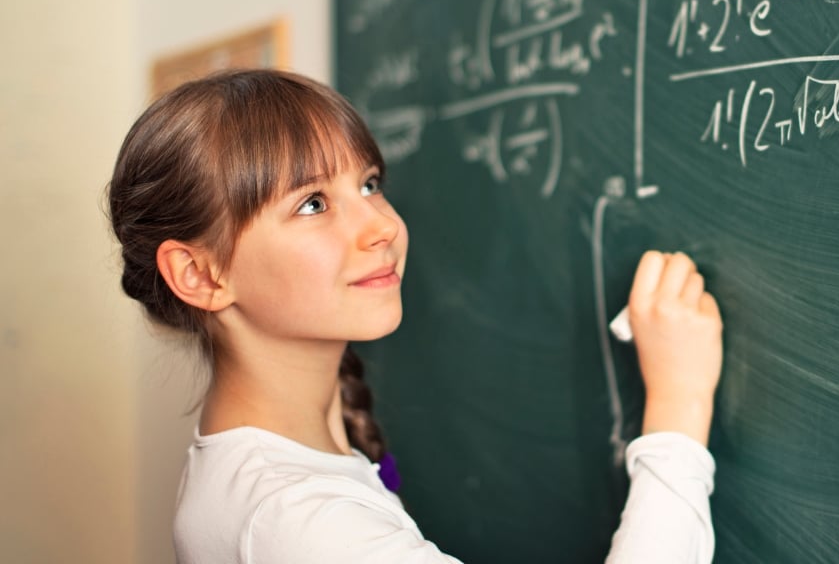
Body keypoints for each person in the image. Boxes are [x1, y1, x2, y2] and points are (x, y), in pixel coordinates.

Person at [108, 69, 725, 563]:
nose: (382, 226)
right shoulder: (300, 521)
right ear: (201, 274)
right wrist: (680, 404)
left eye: (370, 184)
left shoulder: (269, 469)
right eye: (313, 204)